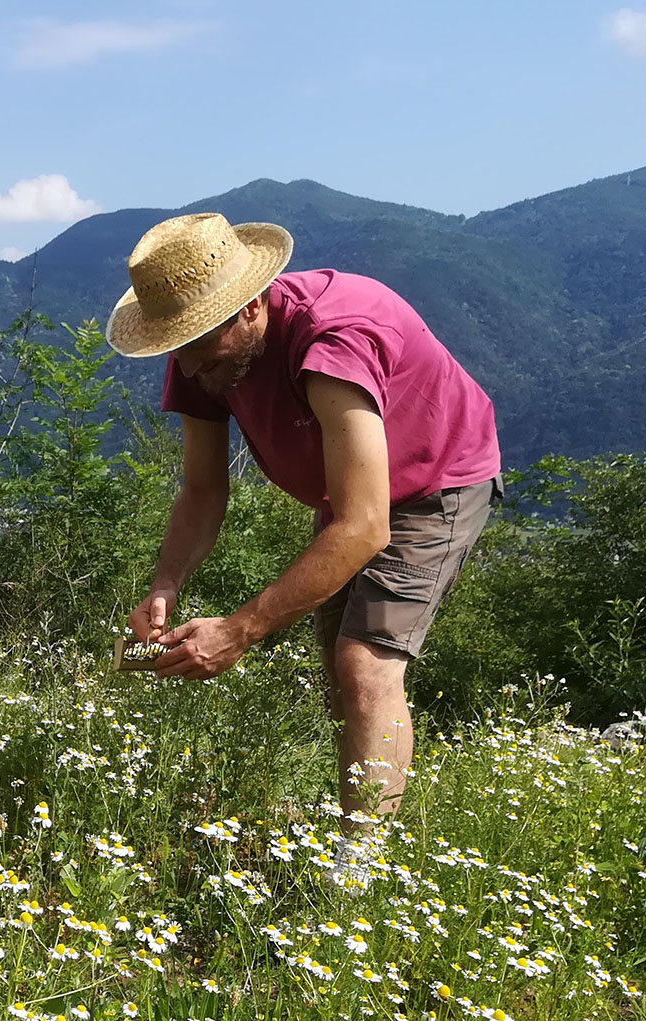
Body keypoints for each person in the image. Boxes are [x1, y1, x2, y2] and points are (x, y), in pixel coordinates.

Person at [107, 212, 501, 837]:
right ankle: (359, 824)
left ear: (252, 306)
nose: (189, 371)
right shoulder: (201, 352)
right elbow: (204, 490)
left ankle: (360, 872)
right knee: (338, 679)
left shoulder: (334, 338)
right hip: (348, 491)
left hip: (435, 478)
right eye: (178, 349)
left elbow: (366, 525)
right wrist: (165, 585)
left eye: (200, 349)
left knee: (364, 665)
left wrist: (240, 630)